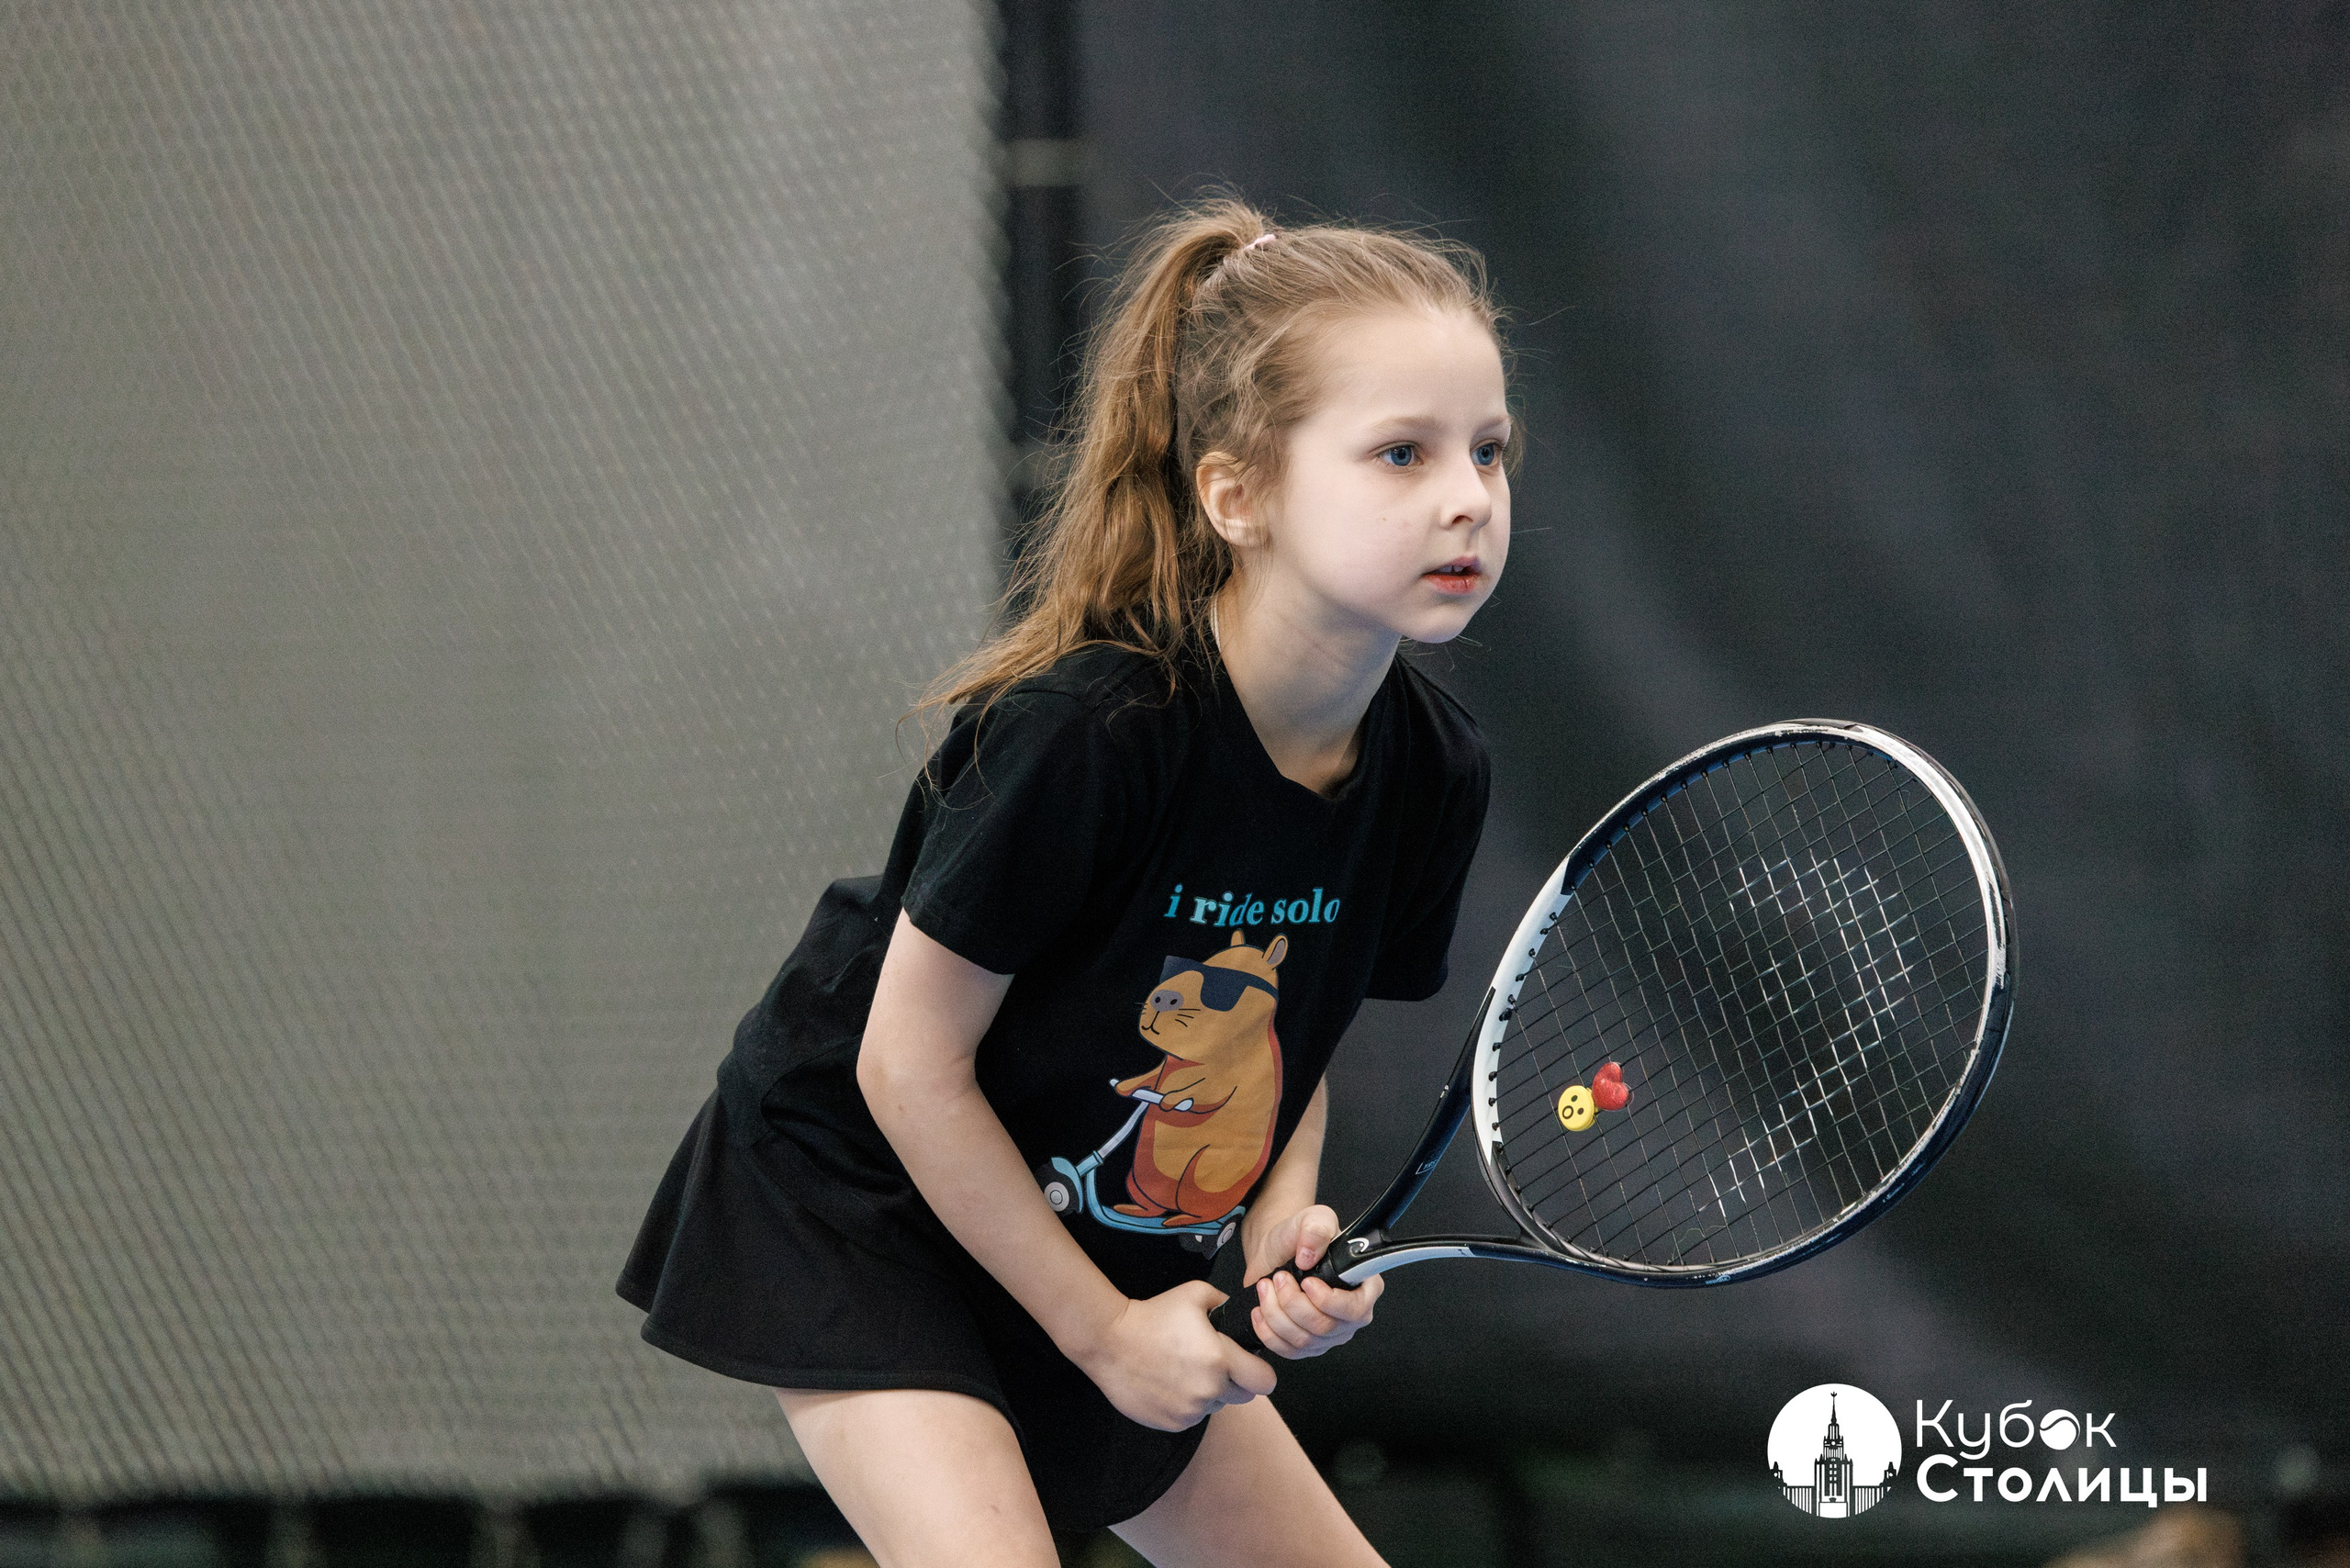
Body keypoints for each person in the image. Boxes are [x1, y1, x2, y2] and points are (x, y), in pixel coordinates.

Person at [617, 195, 1515, 1566]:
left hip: (1095, 1228)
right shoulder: (1092, 735)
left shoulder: (1431, 771)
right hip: (869, 1198)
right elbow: (903, 1065)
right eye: (1401, 452)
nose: (1467, 496)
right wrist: (1100, 1335)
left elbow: (1296, 1027)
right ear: (1239, 495)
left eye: (1489, 451)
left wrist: (1281, 1212)